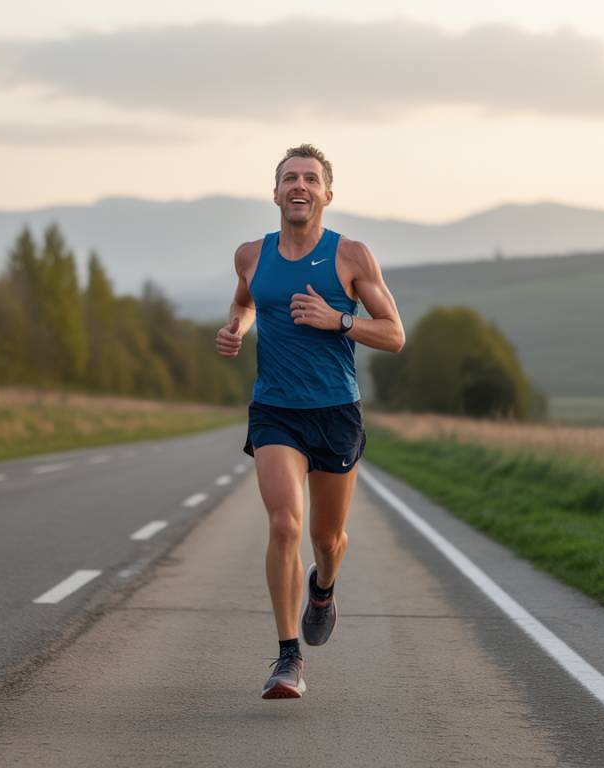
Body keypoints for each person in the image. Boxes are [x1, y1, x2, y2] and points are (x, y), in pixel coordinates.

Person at [215, 144, 405, 699]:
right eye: (289, 178)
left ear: (327, 193)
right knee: (284, 526)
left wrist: (338, 319)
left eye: (310, 179)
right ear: (275, 193)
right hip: (274, 408)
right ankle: (287, 656)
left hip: (335, 411)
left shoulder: (351, 256)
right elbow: (246, 303)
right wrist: (237, 328)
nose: (299, 186)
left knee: (326, 538)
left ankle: (322, 588)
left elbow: (393, 334)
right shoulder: (251, 255)